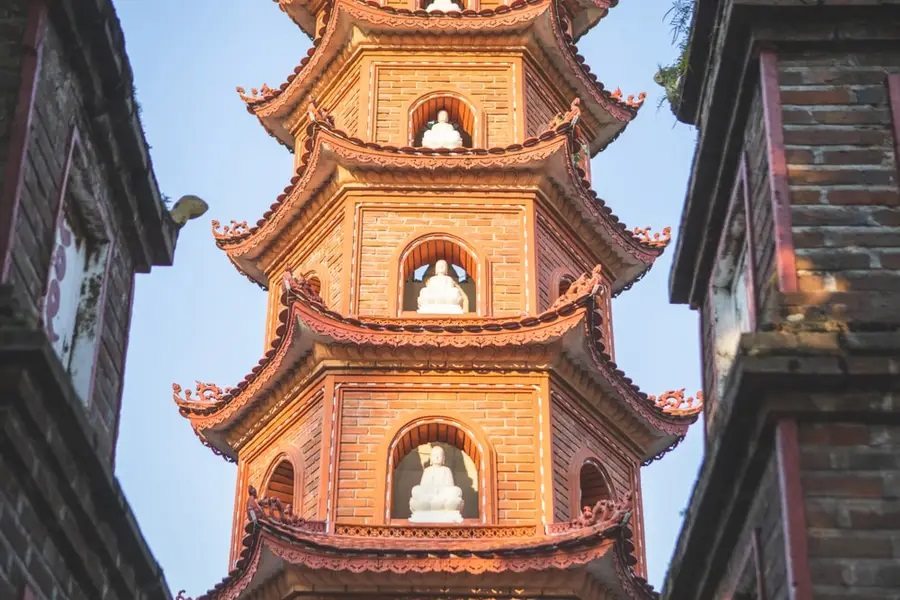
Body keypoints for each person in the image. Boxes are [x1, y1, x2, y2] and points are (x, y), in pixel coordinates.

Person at [409, 445, 464, 521]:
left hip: (443, 497)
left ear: (443, 458)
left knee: (456, 491)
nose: (437, 457)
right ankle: (427, 504)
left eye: (439, 455)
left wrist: (440, 491)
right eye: (435, 455)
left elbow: (450, 487)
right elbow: (423, 488)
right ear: (430, 458)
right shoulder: (427, 470)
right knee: (416, 490)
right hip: (429, 497)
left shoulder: (446, 470)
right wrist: (432, 491)